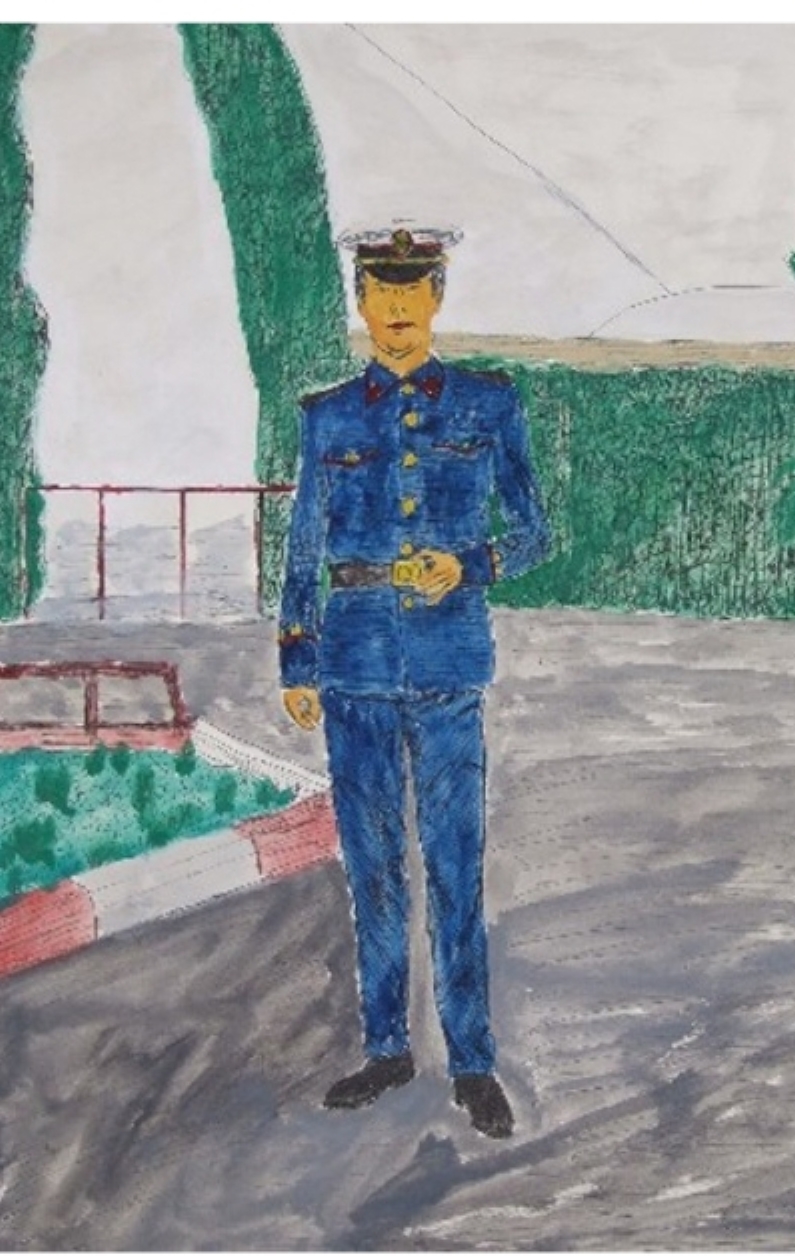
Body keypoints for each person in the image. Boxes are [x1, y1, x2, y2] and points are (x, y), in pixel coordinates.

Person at [278, 223, 550, 1139]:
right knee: (374, 869)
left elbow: (535, 533)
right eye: (380, 292)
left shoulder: (489, 404)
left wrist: (469, 565)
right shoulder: (327, 417)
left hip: (446, 664)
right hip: (353, 665)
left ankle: (472, 1060)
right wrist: (297, 656)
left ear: (437, 296)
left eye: (412, 291)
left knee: (456, 864)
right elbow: (303, 547)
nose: (396, 309)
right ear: (361, 300)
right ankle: (388, 1047)